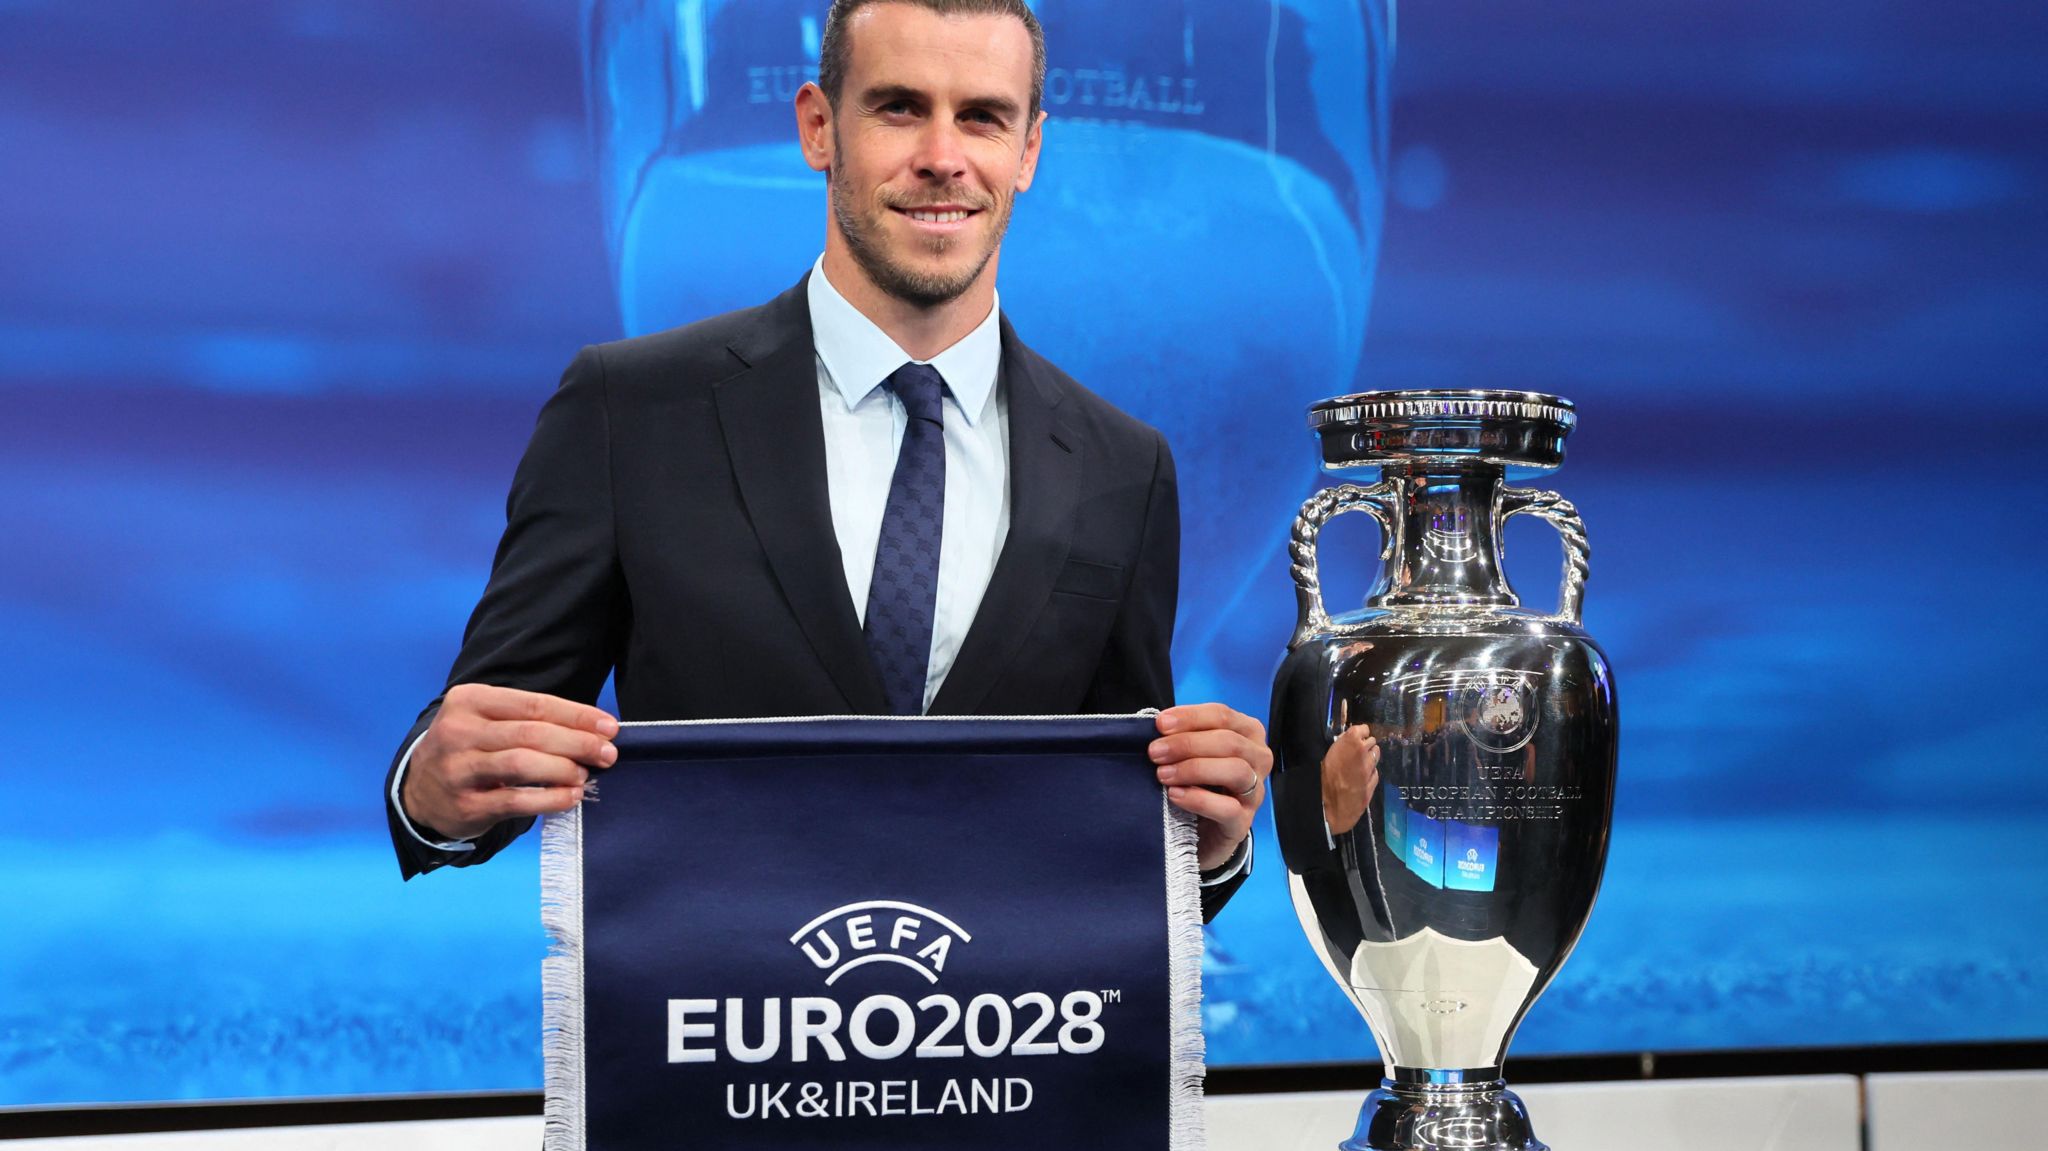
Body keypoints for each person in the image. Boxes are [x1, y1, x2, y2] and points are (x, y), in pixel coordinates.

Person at [384, 0, 1270, 919]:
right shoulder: (627, 412)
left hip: (993, 1054)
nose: (942, 155)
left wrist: (1202, 848)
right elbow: (484, 749)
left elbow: (1108, 841)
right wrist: (433, 788)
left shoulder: (1123, 468)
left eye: (982, 117)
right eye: (897, 108)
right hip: (709, 1038)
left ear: (1030, 151)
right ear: (818, 128)